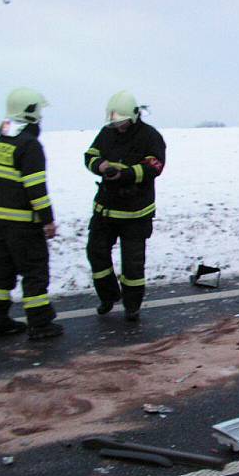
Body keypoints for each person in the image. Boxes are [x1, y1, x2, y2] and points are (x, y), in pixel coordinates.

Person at [0, 88, 63, 339]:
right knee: (35, 271)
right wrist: (48, 220)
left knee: (3, 270)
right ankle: (40, 324)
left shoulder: (2, 140)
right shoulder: (29, 145)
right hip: (23, 224)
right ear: (32, 111)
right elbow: (36, 189)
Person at [84, 91, 166, 321]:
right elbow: (90, 155)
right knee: (96, 253)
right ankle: (108, 296)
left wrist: (125, 173)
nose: (117, 127)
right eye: (114, 123)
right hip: (105, 210)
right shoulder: (107, 133)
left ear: (133, 117)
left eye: (121, 122)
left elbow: (155, 167)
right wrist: (100, 166)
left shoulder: (150, 136)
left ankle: (132, 305)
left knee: (133, 264)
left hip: (135, 213)